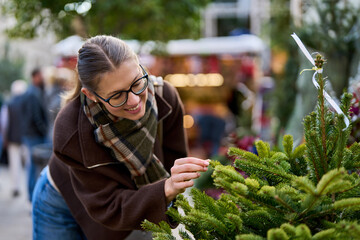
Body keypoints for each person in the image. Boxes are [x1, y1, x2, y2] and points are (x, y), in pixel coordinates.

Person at [32, 35, 209, 240]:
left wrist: (173, 183)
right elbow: (109, 207)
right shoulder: (70, 131)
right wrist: (164, 189)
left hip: (133, 203)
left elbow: (170, 172)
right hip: (60, 204)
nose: (134, 101)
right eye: (117, 95)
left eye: (136, 83)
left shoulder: (165, 97)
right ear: (91, 95)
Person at [22, 68, 49, 202]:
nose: (43, 77)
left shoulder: (31, 91)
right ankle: (32, 195)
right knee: (33, 167)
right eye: (41, 75)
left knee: (32, 166)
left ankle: (31, 194)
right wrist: (44, 130)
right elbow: (36, 116)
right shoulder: (33, 93)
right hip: (34, 134)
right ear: (35, 76)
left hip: (31, 133)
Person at [3, 80, 28, 197]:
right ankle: (29, 188)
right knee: (28, 164)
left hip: (12, 138)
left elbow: (4, 122)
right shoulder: (27, 102)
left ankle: (15, 187)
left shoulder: (9, 104)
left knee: (14, 164)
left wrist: (5, 137)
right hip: (26, 138)